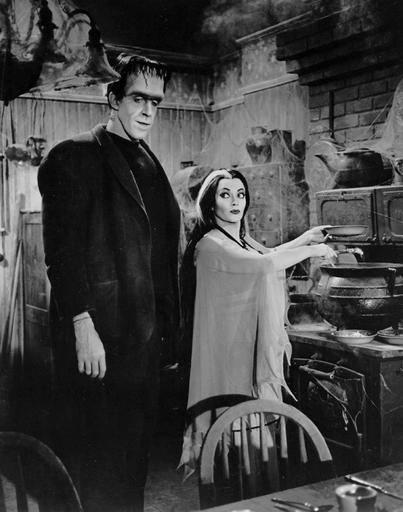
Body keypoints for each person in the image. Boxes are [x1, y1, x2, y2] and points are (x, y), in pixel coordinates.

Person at [38, 53, 180, 512]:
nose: (148, 111)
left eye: (156, 102)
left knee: (131, 466)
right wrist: (82, 324)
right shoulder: (74, 155)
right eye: (139, 98)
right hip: (100, 341)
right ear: (114, 98)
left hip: (143, 346)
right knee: (95, 467)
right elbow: (62, 255)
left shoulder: (149, 161)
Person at [178, 168, 336, 476]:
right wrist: (315, 249)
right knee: (232, 414)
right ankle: (234, 479)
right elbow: (264, 265)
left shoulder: (239, 239)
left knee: (253, 411)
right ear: (210, 203)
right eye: (225, 195)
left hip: (244, 338)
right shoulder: (210, 244)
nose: (235, 201)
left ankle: (255, 475)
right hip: (226, 346)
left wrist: (306, 237)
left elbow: (267, 254)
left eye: (240, 194)